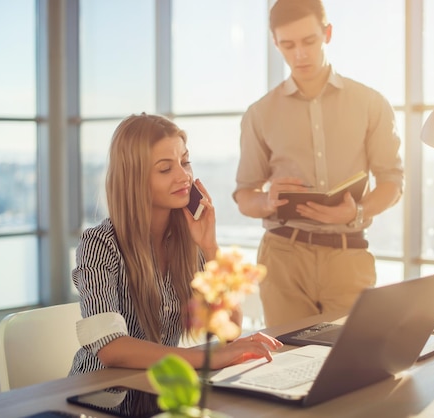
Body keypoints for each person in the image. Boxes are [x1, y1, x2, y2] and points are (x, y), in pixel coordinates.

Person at [234, 0, 404, 327]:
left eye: (309, 41)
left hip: (348, 255)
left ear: (327, 33)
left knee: (352, 364)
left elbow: (392, 181)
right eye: (288, 45)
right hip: (283, 257)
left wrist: (358, 211)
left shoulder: (370, 103)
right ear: (275, 44)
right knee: (287, 364)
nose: (299, 54)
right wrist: (267, 200)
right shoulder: (260, 113)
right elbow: (245, 195)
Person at [69, 113, 282, 376]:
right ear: (134, 179)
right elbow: (111, 348)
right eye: (165, 168)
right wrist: (206, 358)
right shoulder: (99, 245)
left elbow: (230, 328)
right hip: (101, 392)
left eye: (185, 162)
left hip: (157, 387)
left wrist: (210, 248)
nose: (184, 176)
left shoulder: (188, 240)